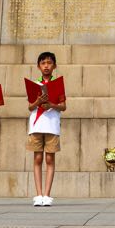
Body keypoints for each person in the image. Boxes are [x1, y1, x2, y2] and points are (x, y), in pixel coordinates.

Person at [27, 51, 66, 207]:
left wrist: (52, 105)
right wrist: (37, 101)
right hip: (36, 125)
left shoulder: (58, 84)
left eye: (49, 63)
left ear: (54, 66)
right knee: (37, 158)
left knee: (50, 159)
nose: (46, 66)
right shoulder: (34, 85)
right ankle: (38, 194)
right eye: (43, 63)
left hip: (52, 125)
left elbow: (64, 106)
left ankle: (47, 194)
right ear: (38, 66)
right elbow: (30, 107)